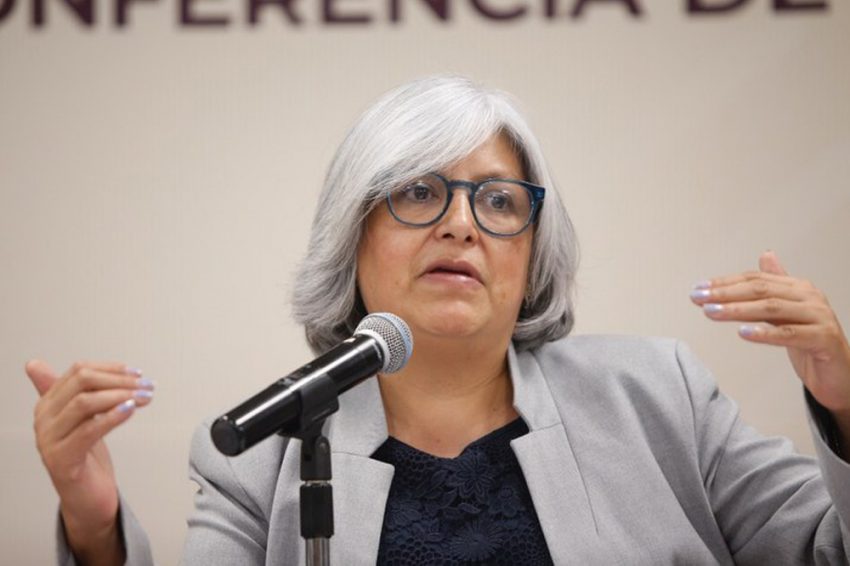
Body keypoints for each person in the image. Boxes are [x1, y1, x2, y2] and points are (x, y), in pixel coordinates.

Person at [27, 76, 850, 565]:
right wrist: (95, 531)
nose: (461, 225)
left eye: (498, 200)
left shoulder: (659, 395)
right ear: (352, 235)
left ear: (533, 251)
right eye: (419, 192)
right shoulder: (257, 455)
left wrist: (845, 403)